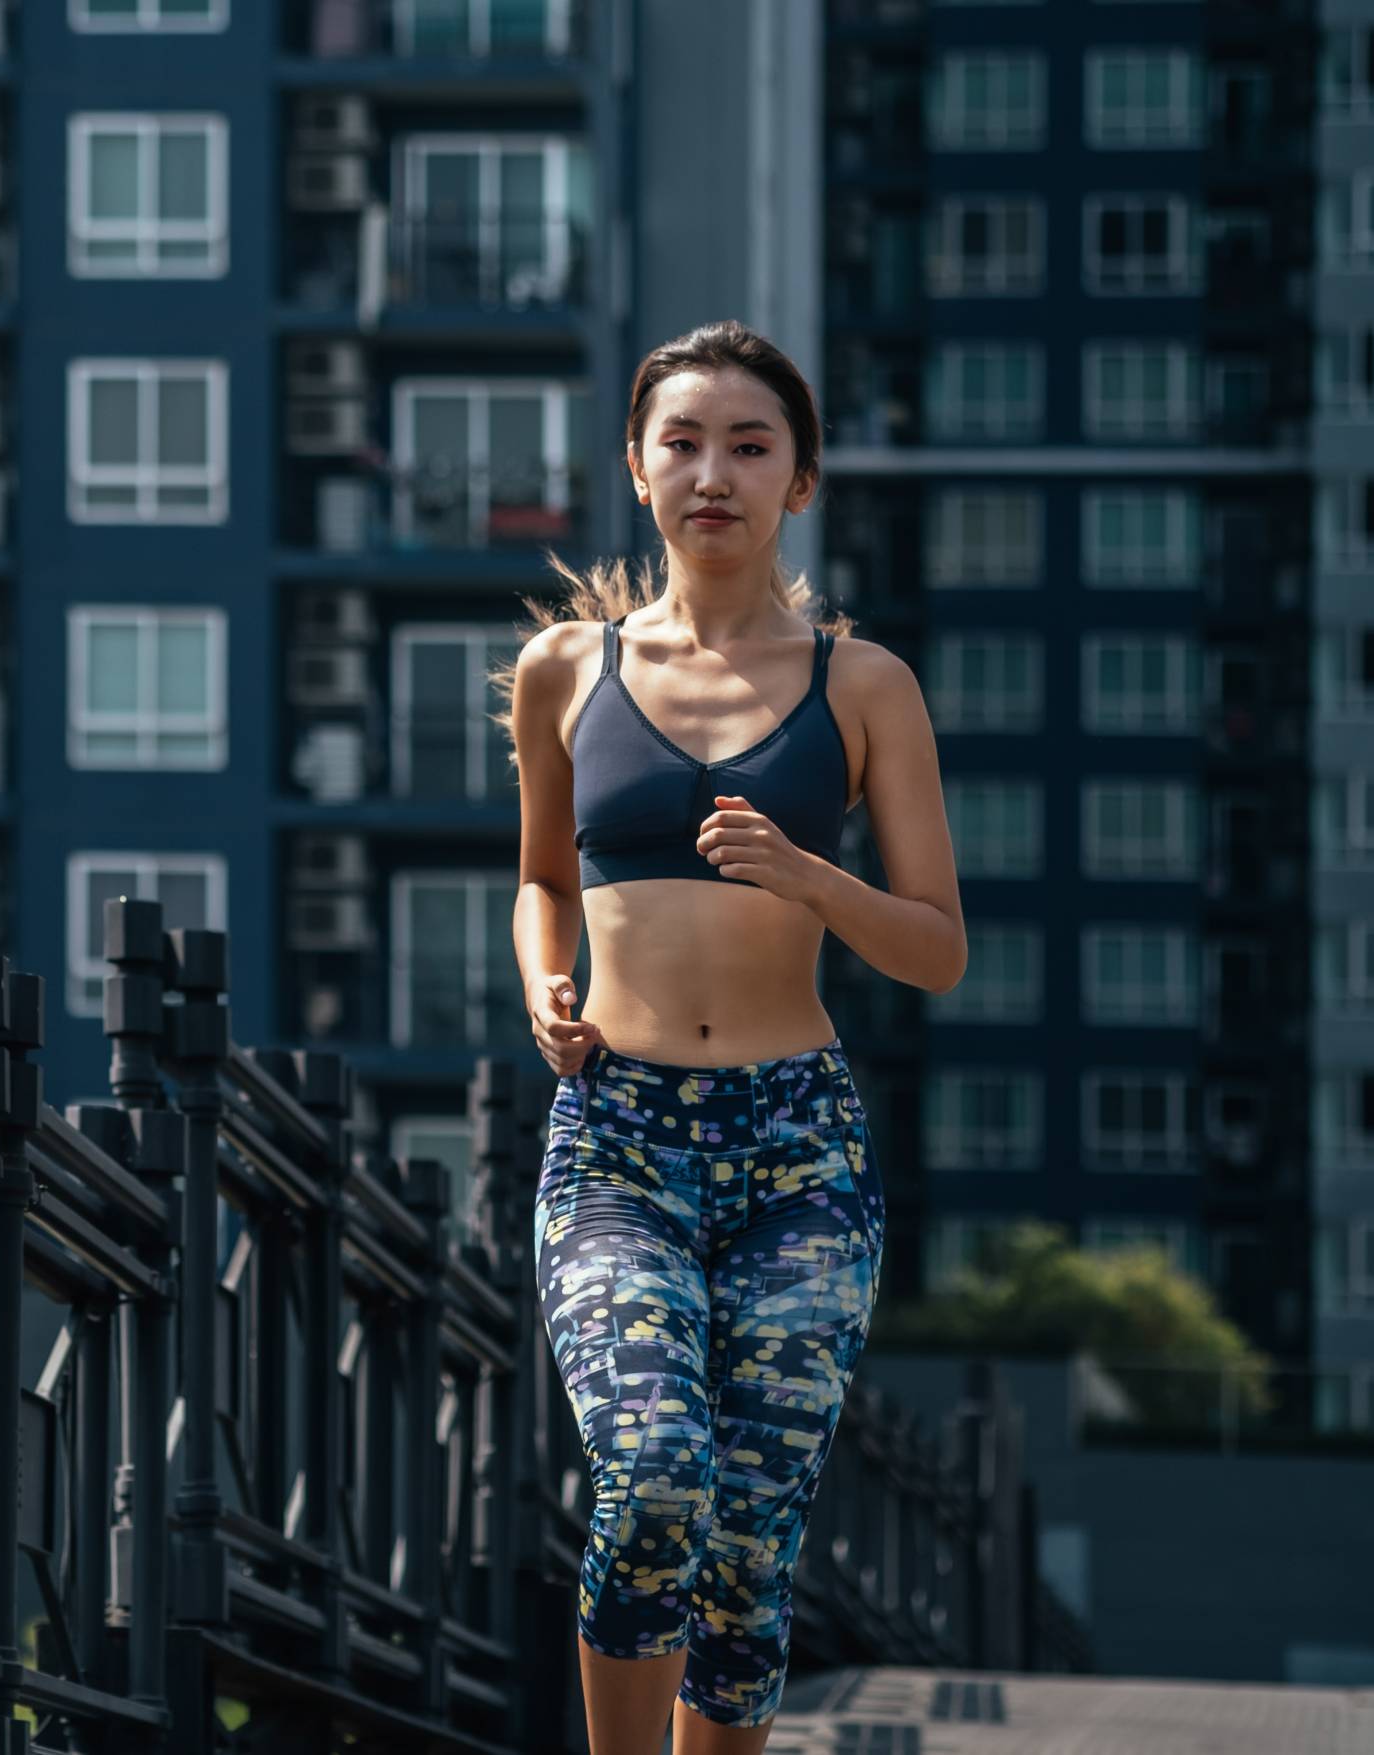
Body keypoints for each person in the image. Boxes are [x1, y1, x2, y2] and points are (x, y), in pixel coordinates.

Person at [491, 320, 964, 1755]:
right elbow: (541, 878)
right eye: (683, 441)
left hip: (797, 1151)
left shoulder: (863, 686)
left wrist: (813, 875)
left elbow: (936, 949)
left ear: (800, 483)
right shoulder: (564, 672)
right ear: (638, 471)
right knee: (649, 1483)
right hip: (618, 1141)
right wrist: (542, 985)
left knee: (750, 1556)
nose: (715, 471)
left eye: (751, 445)